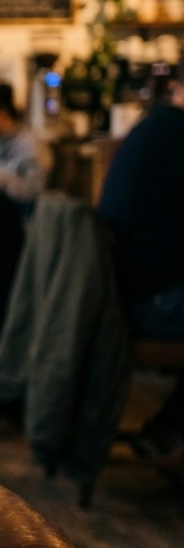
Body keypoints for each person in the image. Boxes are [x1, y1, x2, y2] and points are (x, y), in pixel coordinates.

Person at [97, 85, 184, 456]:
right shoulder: (174, 135)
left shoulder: (157, 127)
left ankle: (169, 425)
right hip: (149, 302)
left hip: (126, 294)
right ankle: (170, 425)